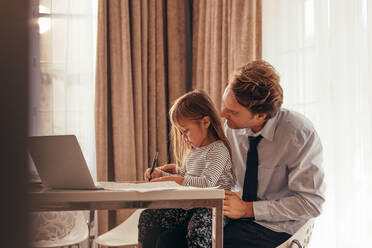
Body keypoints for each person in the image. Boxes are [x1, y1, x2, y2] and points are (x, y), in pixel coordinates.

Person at [221, 60, 326, 248]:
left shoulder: (298, 134)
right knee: (171, 238)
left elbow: (311, 203)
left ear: (260, 116)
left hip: (279, 228)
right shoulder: (232, 128)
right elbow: (221, 172)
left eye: (233, 112)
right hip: (240, 221)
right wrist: (181, 174)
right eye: (224, 104)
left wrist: (249, 209)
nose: (223, 113)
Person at [138, 90, 235, 248]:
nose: (184, 137)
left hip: (212, 209)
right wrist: (159, 174)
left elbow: (207, 183)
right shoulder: (194, 151)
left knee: (199, 227)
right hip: (191, 207)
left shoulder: (218, 149)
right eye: (181, 133)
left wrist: (176, 180)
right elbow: (184, 175)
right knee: (149, 216)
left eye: (186, 131)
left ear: (205, 122)